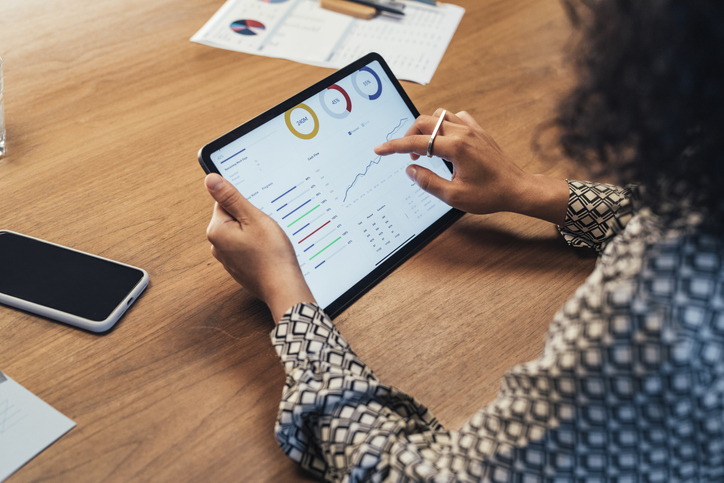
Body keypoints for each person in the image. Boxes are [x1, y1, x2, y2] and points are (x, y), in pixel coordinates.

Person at [204, 0, 724, 481]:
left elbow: (414, 475)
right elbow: (688, 207)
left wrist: (285, 291)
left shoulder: (658, 314)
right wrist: (529, 190)